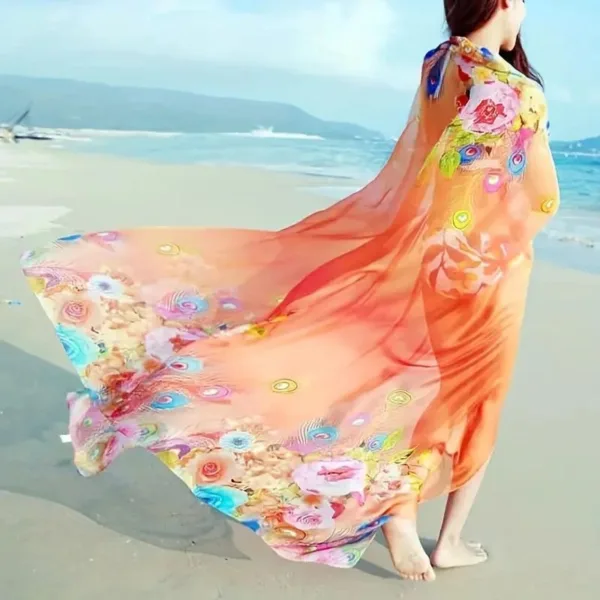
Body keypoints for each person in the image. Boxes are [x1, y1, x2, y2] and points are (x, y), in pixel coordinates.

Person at [21, 0, 558, 584]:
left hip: (428, 258)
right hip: (485, 269)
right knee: (473, 397)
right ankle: (448, 540)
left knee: (411, 381)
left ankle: (400, 516)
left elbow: (419, 166)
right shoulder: (512, 88)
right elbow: (542, 196)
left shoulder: (438, 64)